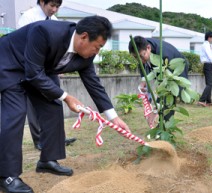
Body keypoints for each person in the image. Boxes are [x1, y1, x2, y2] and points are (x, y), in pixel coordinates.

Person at [0, 16, 130, 193]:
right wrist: (67, 96)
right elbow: (33, 73)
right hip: (11, 65)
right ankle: (7, 176)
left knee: (53, 106)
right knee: (15, 114)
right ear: (84, 37)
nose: (97, 52)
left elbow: (94, 85)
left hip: (39, 71)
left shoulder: (85, 57)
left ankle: (47, 160)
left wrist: (113, 118)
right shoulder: (45, 32)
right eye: (97, 47)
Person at [18, 0, 77, 150]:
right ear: (42, 2)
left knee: (56, 100)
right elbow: (23, 46)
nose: (54, 10)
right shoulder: (28, 17)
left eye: (57, 6)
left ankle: (58, 138)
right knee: (35, 106)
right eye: (52, 5)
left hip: (49, 69)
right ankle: (39, 140)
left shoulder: (55, 21)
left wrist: (59, 68)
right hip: (32, 69)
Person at [128, 36, 189, 123]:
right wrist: (144, 80)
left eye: (142, 56)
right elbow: (142, 65)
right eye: (137, 58)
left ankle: (165, 125)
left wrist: (154, 111)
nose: (140, 61)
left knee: (168, 96)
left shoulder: (163, 55)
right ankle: (162, 122)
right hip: (163, 66)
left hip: (177, 69)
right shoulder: (142, 45)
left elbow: (163, 88)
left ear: (148, 48)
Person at [197, 31, 212, 107]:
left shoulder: (206, 45)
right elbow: (209, 55)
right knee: (209, 84)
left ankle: (208, 101)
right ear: (209, 37)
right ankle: (201, 100)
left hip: (207, 65)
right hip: (208, 64)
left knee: (209, 83)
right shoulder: (206, 45)